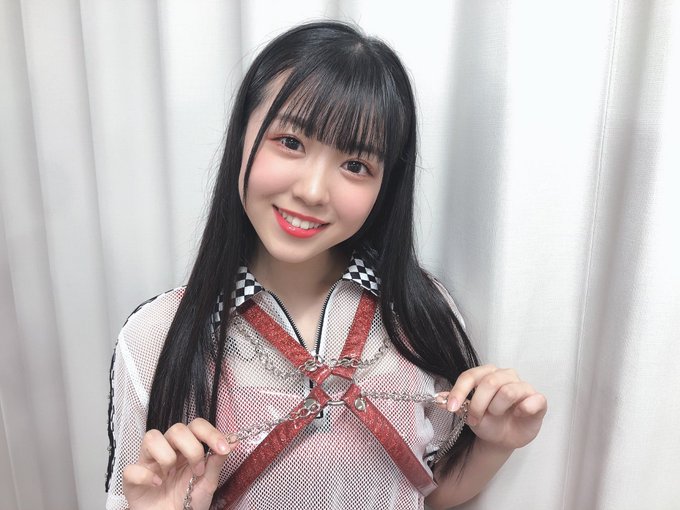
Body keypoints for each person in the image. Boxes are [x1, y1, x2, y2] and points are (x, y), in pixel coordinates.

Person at [105, 20, 547, 510]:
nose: (313, 191)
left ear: (385, 185)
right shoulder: (154, 338)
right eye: (291, 142)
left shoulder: (418, 312)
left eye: (355, 165)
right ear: (241, 135)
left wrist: (495, 444)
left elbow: (426, 490)